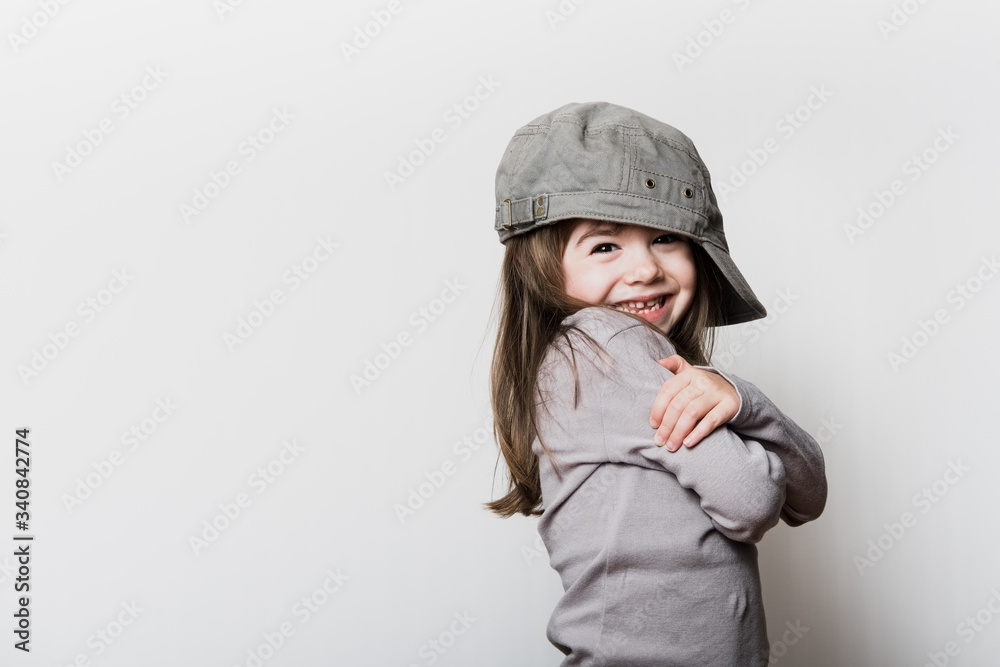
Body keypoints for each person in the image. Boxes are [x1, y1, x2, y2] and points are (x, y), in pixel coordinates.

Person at [483, 101, 828, 666]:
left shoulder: (635, 362)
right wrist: (753, 445)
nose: (645, 269)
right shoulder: (603, 346)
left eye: (666, 238)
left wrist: (741, 401)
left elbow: (809, 495)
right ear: (542, 265)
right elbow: (755, 502)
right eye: (605, 245)